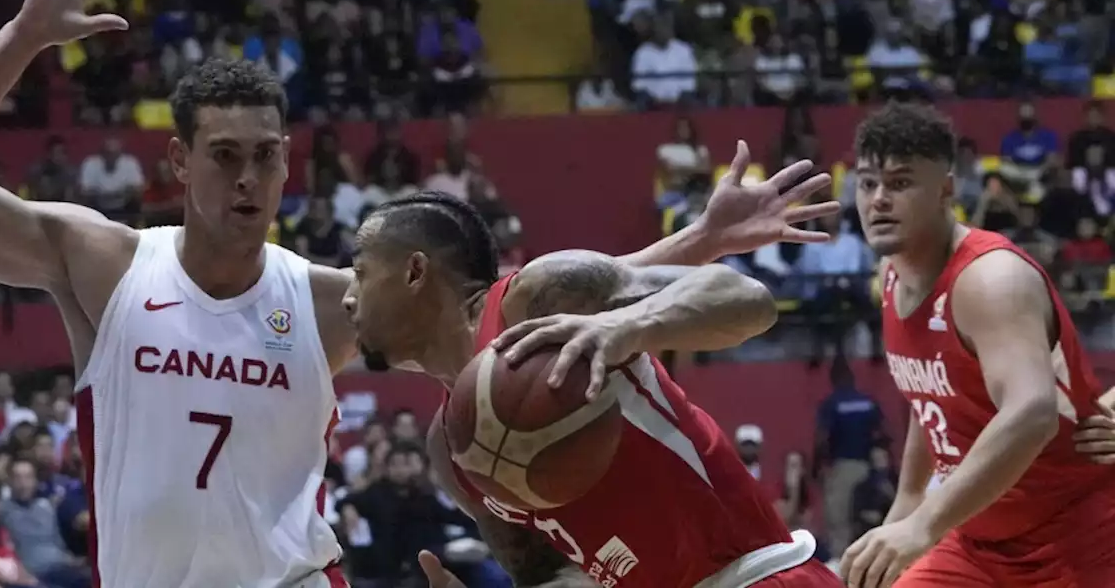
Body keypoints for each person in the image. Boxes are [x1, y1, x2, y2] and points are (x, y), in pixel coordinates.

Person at [0, 0, 362, 588]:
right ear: (179, 161)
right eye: (224, 155)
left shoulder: (333, 298)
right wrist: (23, 36)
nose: (248, 178)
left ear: (286, 163)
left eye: (265, 157)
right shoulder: (106, 263)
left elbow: (477, 349)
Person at [341, 144, 846, 588]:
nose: (347, 298)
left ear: (414, 272)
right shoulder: (449, 450)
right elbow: (552, 578)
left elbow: (745, 297)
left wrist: (624, 326)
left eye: (359, 274)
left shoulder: (534, 297)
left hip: (750, 577)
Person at [841, 102, 1115, 587]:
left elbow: (1032, 412)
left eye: (900, 183)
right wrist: (907, 503)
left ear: (946, 189)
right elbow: (931, 404)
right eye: (868, 183)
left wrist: (924, 524)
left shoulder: (990, 279)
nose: (879, 199)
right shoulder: (891, 276)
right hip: (977, 540)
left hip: (1078, 533)